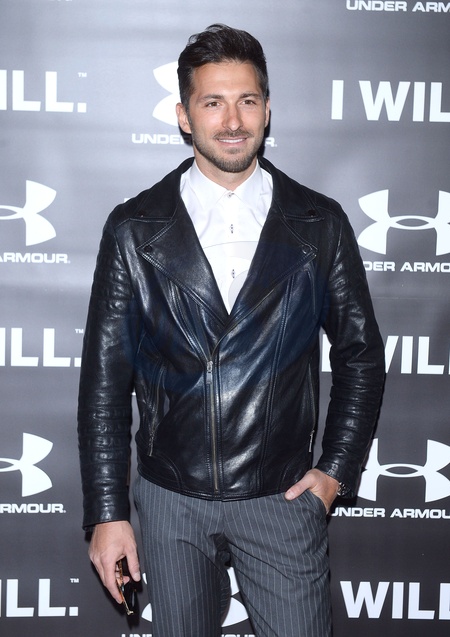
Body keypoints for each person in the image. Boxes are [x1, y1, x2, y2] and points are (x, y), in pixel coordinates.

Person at [78, 23, 385, 637]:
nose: (233, 121)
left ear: (268, 110)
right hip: (170, 500)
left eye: (247, 100)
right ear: (184, 116)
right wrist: (107, 512)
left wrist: (334, 472)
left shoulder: (318, 222)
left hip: (282, 499)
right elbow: (105, 382)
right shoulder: (134, 227)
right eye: (212, 102)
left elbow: (361, 356)